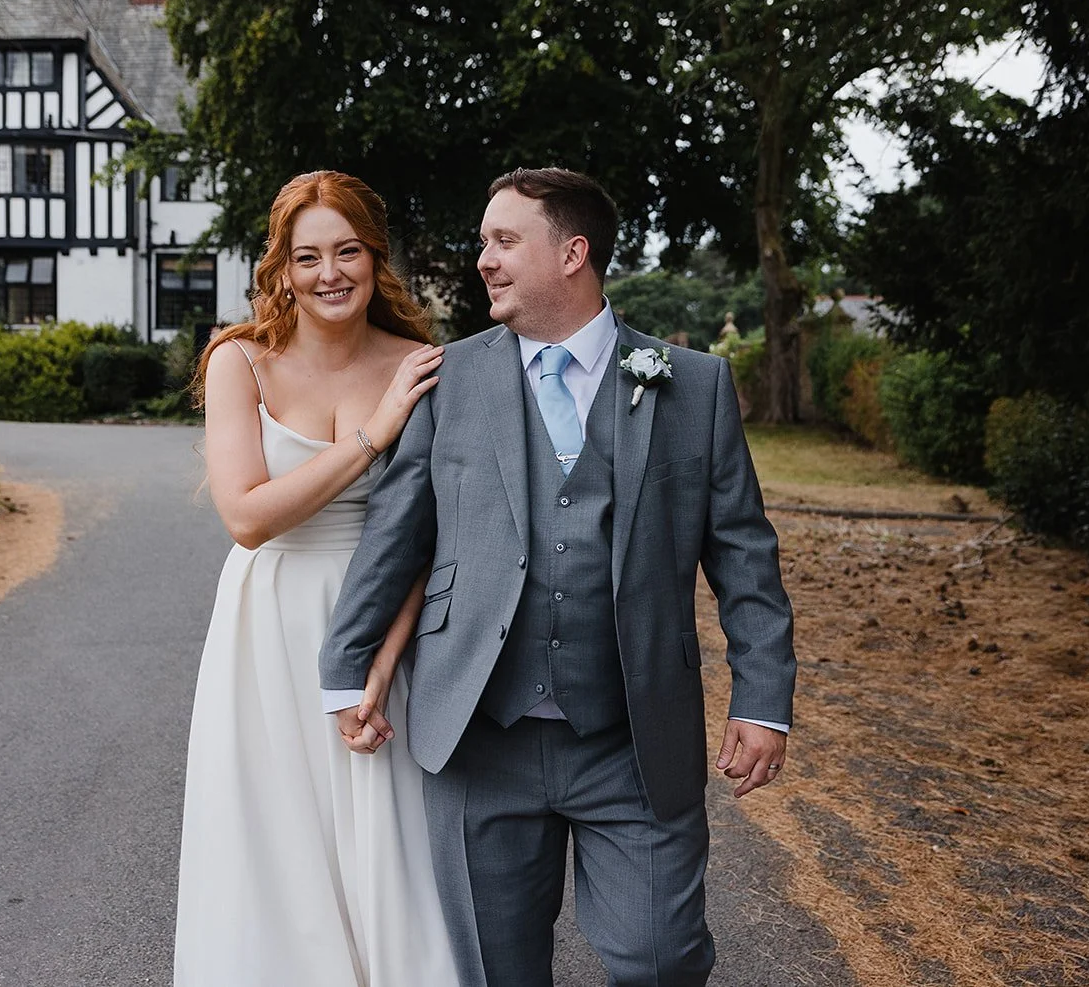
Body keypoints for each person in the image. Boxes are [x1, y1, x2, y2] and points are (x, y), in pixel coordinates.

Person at [322, 167, 796, 985]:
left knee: (661, 958)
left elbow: (745, 557)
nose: (483, 260)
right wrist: (345, 670)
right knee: (494, 968)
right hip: (481, 735)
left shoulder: (694, 386)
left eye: (503, 240)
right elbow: (396, 533)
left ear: (573, 252)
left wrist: (762, 699)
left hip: (633, 737)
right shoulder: (448, 378)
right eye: (483, 243)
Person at [173, 171, 459, 986]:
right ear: (282, 268)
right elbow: (249, 516)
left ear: (375, 258)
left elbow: (427, 532)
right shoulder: (242, 363)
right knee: (272, 837)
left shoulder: (419, 365)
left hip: (380, 618)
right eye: (308, 256)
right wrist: (373, 435)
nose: (329, 272)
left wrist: (381, 659)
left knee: (387, 835)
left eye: (348, 251)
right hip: (267, 623)